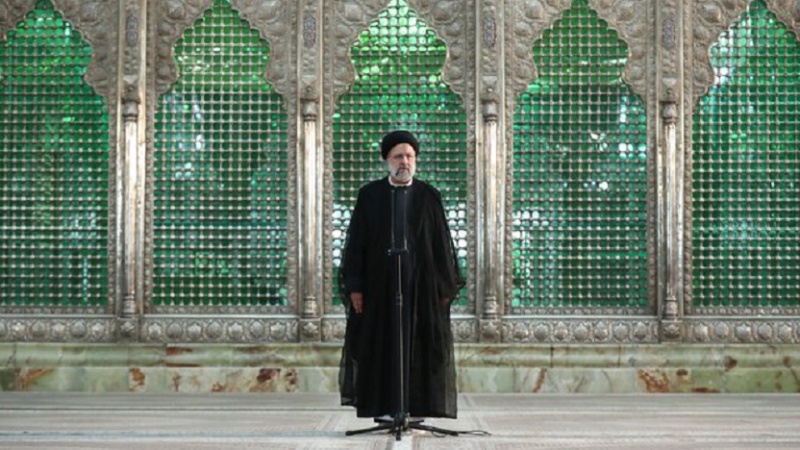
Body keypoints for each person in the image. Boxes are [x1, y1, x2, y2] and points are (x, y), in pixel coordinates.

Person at [338, 130, 464, 420]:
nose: (404, 162)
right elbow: (356, 244)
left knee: (420, 346)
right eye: (398, 156)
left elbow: (441, 244)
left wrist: (445, 287)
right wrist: (355, 286)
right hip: (379, 289)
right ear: (387, 160)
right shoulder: (370, 196)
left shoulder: (429, 196)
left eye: (409, 156)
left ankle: (416, 407)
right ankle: (384, 407)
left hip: (421, 289)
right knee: (380, 345)